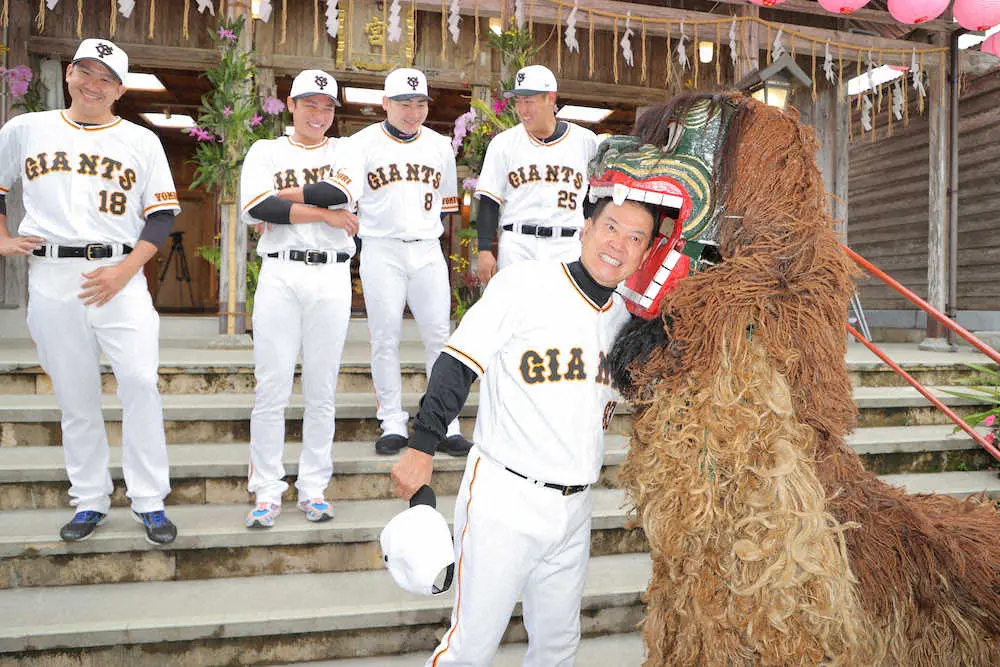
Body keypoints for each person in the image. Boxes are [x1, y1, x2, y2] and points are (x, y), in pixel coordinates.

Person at [391, 196, 658, 666]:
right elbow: (458, 362)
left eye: (636, 238)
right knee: (470, 647)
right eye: (611, 227)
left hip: (575, 506)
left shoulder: (628, 324)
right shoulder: (527, 284)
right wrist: (422, 444)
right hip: (505, 497)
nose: (620, 244)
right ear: (586, 229)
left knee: (557, 647)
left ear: (644, 255)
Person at [0, 38, 179, 545]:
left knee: (141, 383)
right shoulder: (26, 129)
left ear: (120, 90)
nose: (93, 84)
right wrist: (4, 237)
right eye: (86, 72)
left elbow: (161, 214)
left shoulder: (141, 141)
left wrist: (126, 272)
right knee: (76, 395)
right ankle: (90, 499)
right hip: (54, 274)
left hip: (119, 273)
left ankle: (148, 499)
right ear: (70, 74)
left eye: (106, 78)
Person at [317, 67, 472, 457]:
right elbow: (342, 197)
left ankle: (445, 423)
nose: (413, 110)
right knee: (385, 336)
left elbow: (446, 207)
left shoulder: (439, 145)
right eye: (404, 103)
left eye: (420, 102)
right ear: (385, 103)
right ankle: (391, 421)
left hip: (426, 248)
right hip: (382, 247)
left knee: (440, 337)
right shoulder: (360, 143)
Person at [239, 69, 359, 528]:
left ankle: (313, 488)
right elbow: (255, 208)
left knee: (321, 391)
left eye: (327, 106)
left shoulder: (346, 150)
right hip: (281, 273)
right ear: (290, 105)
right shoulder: (265, 150)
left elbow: (341, 191)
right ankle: (267, 491)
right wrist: (324, 216)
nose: (319, 113)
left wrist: (283, 197)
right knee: (270, 388)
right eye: (310, 103)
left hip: (330, 278)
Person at [473, 64, 599, 286]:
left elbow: (594, 196)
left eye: (529, 101)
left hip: (566, 244)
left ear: (550, 98)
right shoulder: (503, 143)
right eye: (518, 101)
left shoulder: (585, 141)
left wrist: (591, 233)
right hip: (517, 243)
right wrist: (484, 249)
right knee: (515, 315)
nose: (522, 109)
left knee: (562, 314)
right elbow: (489, 201)